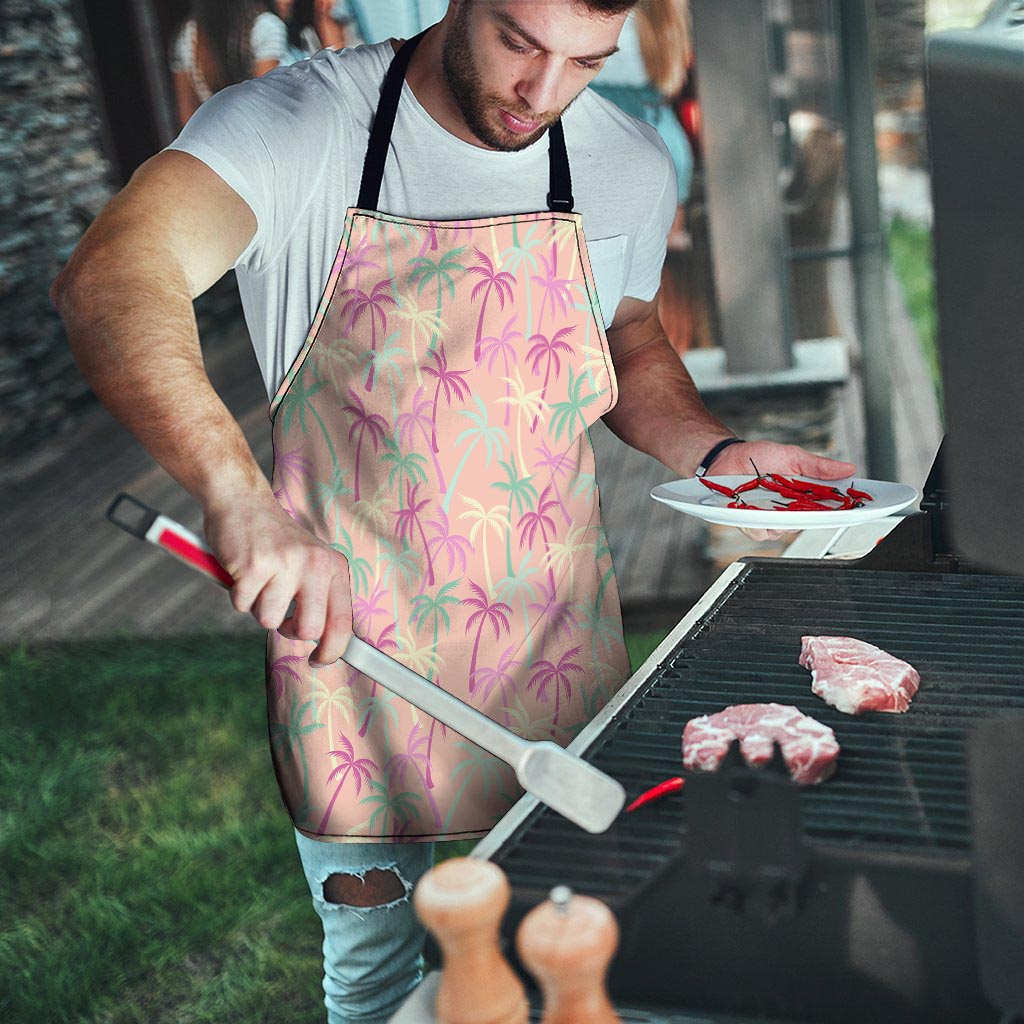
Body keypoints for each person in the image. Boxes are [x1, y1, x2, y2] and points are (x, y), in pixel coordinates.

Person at [52, 2, 856, 1020]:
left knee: (583, 950)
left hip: (555, 644)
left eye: (585, 62)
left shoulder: (625, 161)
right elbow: (112, 275)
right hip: (354, 666)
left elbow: (629, 334)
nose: (543, 92)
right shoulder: (299, 126)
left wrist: (718, 450)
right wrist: (237, 497)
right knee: (381, 980)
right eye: (521, 42)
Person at [170, 0, 289, 127]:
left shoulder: (187, 36)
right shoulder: (265, 27)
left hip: (215, 138)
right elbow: (266, 104)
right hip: (264, 136)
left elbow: (187, 117)